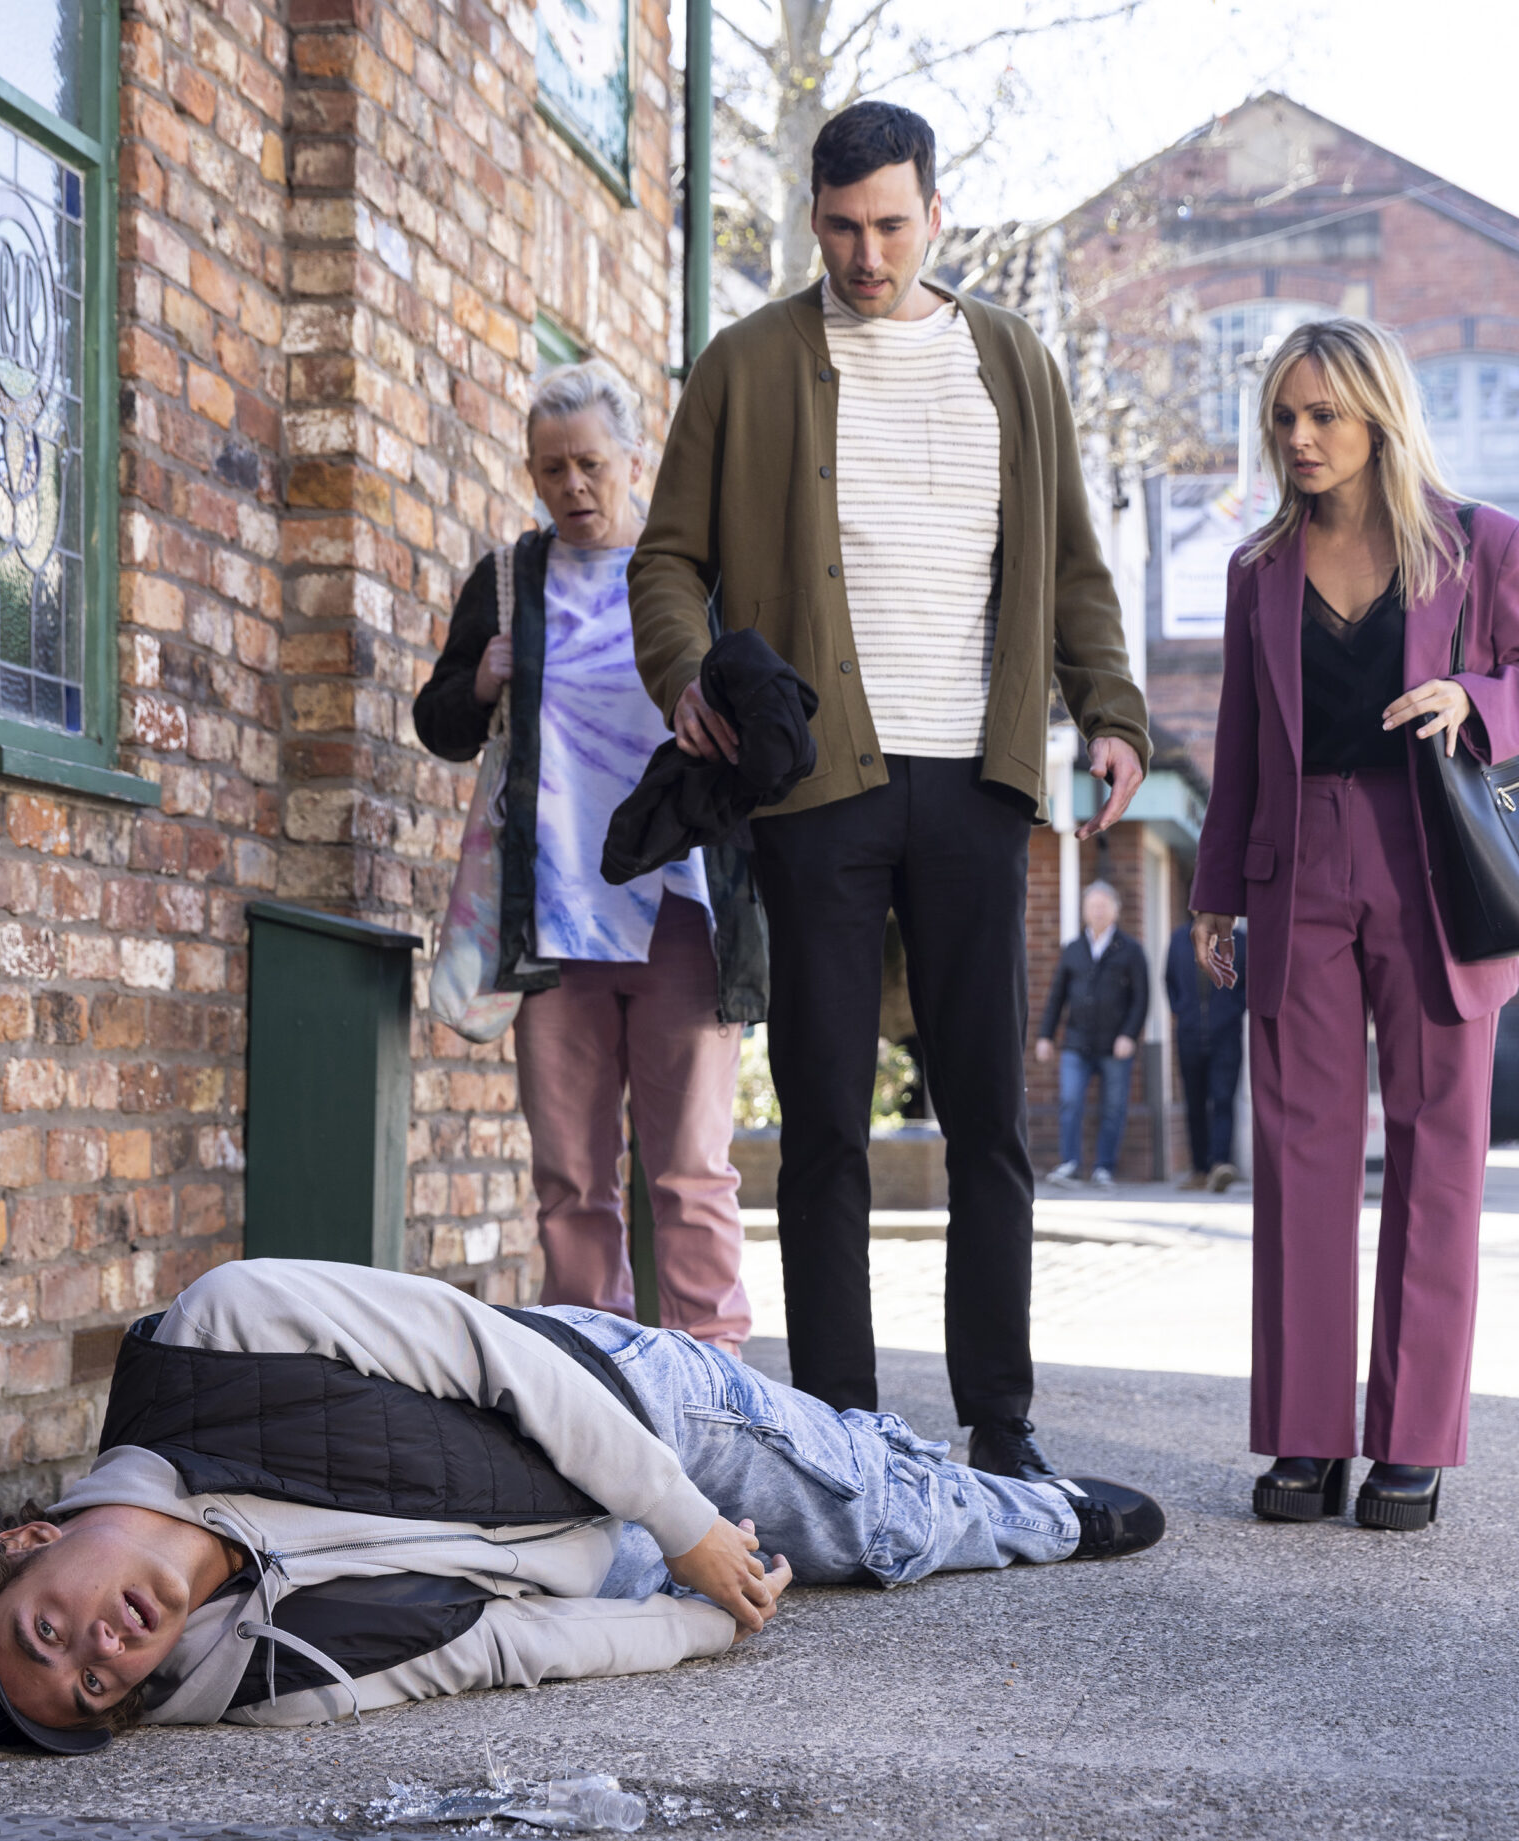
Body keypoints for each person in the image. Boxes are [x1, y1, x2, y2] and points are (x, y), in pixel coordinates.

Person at [628, 101, 1150, 1485]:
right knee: (822, 1115)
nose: (870, 254)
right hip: (821, 788)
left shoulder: (1014, 366)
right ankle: (843, 1424)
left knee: (989, 1111)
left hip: (980, 779)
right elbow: (667, 558)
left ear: (937, 216)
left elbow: (1076, 570)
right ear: (813, 216)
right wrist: (684, 666)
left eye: (894, 225)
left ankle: (1001, 1419)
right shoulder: (745, 367)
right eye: (845, 227)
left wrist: (1112, 712)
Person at [0, 1259, 1166, 1750]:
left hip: (611, 1402)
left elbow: (487, 1350)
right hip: (572, 1563)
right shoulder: (258, 1678)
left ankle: (1032, 1505)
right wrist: (699, 1620)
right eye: (92, 1692)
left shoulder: (220, 1333)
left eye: (47, 1633)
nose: (101, 1657)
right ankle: (867, 1469)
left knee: (877, 1523)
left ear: (28, 1541)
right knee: (788, 1568)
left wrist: (687, 1528)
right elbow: (499, 1644)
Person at [1188, 318, 1519, 1535]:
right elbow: (1242, 737)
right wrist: (1213, 885)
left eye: (1323, 417)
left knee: (1436, 1152)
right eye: (1284, 419)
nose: (1299, 439)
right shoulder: (1258, 568)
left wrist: (1473, 694)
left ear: (1376, 418)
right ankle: (1306, 1437)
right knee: (1300, 1154)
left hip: (1436, 865)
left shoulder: (1479, 544)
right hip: (1295, 862)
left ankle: (1411, 1439)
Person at [414, 363, 761, 1349]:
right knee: (570, 1173)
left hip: (682, 911)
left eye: (590, 464)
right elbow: (438, 720)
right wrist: (477, 682)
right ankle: (589, 1381)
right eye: (549, 468)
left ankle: (714, 1385)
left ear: (634, 461)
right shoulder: (511, 578)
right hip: (555, 917)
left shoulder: (695, 573)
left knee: (688, 1168)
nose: (571, 486)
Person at [1034, 880, 1149, 1186]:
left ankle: (1104, 1167)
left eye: (1103, 906)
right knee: (1070, 1100)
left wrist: (1129, 1035)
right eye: (1092, 906)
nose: (1097, 911)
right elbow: (1057, 996)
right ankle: (1070, 1163)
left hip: (1115, 1045)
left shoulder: (1130, 950)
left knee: (1114, 1106)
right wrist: (1045, 1036)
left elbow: (1141, 999)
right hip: (1076, 1042)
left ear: (1115, 910)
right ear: (1084, 911)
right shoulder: (1073, 949)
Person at [1164, 918, 1246, 1191]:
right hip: (1189, 1034)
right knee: (1194, 1102)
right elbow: (1170, 981)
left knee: (1223, 1099)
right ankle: (1199, 1169)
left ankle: (1219, 1165)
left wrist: (1232, 1011)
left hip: (1226, 1035)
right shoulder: (1179, 939)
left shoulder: (1239, 940)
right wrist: (1183, 1011)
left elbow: (1248, 983)